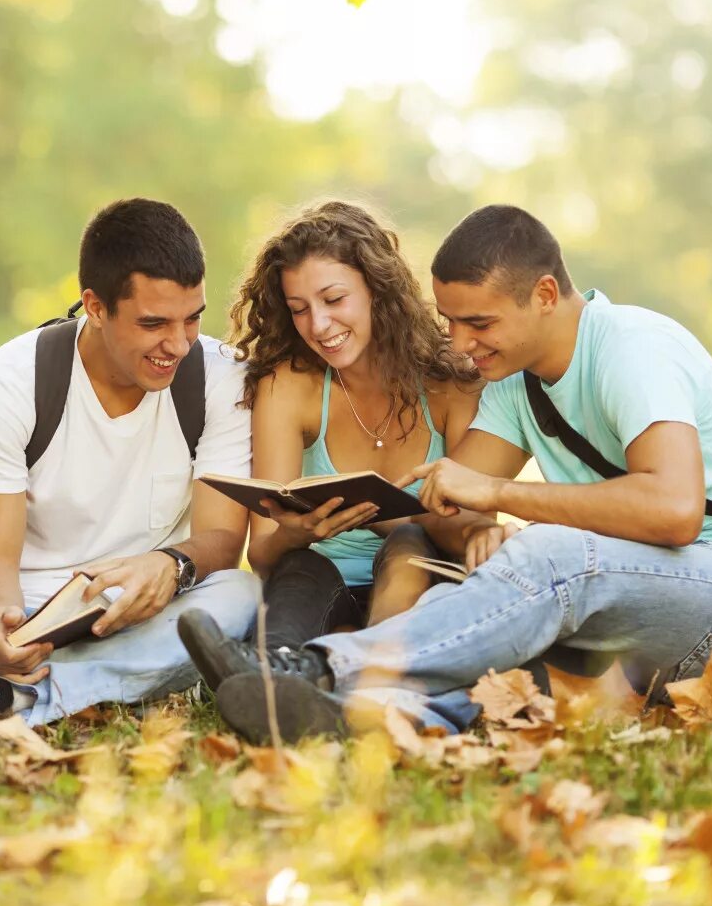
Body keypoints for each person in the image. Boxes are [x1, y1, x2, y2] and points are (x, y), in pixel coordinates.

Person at [185, 203, 712, 742]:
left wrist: (496, 497)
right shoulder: (513, 385)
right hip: (641, 619)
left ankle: (316, 671)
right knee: (494, 629)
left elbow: (675, 511)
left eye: (479, 323)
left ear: (544, 295)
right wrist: (469, 528)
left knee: (551, 554)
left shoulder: (632, 347)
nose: (459, 343)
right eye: (452, 321)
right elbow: (446, 498)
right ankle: (362, 715)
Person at [0, 198, 258, 723]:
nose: (178, 343)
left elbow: (222, 541)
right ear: (96, 307)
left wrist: (172, 565)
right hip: (34, 613)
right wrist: (1, 626)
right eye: (153, 323)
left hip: (151, 609)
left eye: (192, 319)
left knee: (241, 595)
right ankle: (108, 681)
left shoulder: (222, 378)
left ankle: (10, 698)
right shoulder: (6, 383)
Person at [178, 201, 487, 690]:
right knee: (301, 565)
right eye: (299, 309)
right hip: (320, 577)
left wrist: (390, 516)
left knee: (409, 543)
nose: (319, 325)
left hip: (425, 579)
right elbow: (262, 554)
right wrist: (297, 530)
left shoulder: (454, 383)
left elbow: (471, 530)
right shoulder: (289, 385)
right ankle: (271, 674)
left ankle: (369, 685)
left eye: (334, 299)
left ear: (377, 290)